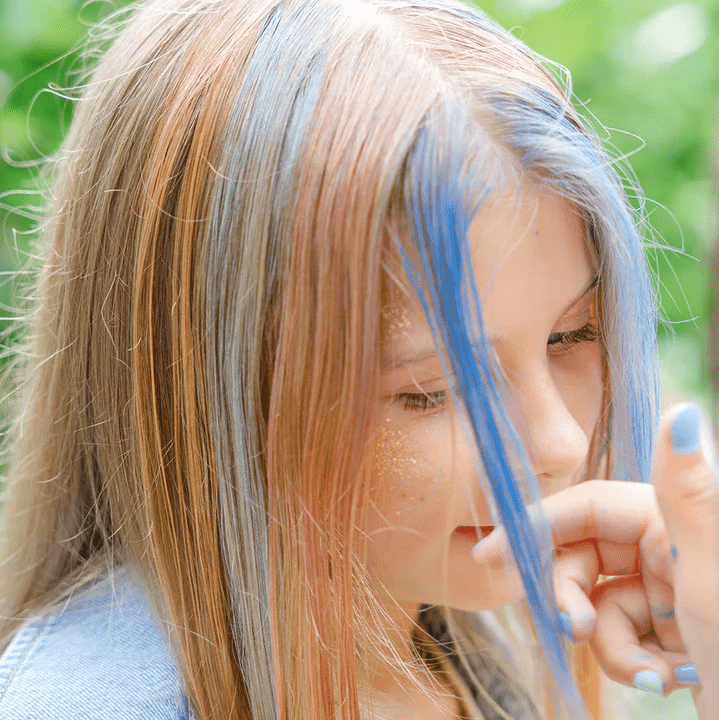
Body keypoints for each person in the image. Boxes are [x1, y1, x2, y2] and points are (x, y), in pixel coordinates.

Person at [0, 0, 717, 718]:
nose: (558, 444)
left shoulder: (486, 640)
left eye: (572, 337)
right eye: (432, 390)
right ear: (200, 390)